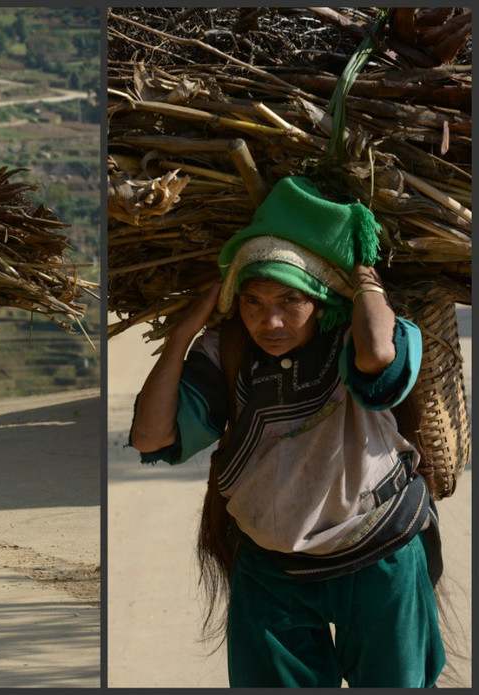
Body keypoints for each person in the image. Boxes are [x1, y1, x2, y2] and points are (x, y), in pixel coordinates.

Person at [129, 177, 445, 687]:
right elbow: (149, 437)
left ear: (321, 298)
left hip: (378, 551)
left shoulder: (359, 335)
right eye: (252, 302)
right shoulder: (228, 352)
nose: (268, 321)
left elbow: (379, 359)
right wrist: (184, 333)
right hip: (272, 567)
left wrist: (360, 274)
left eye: (289, 301)